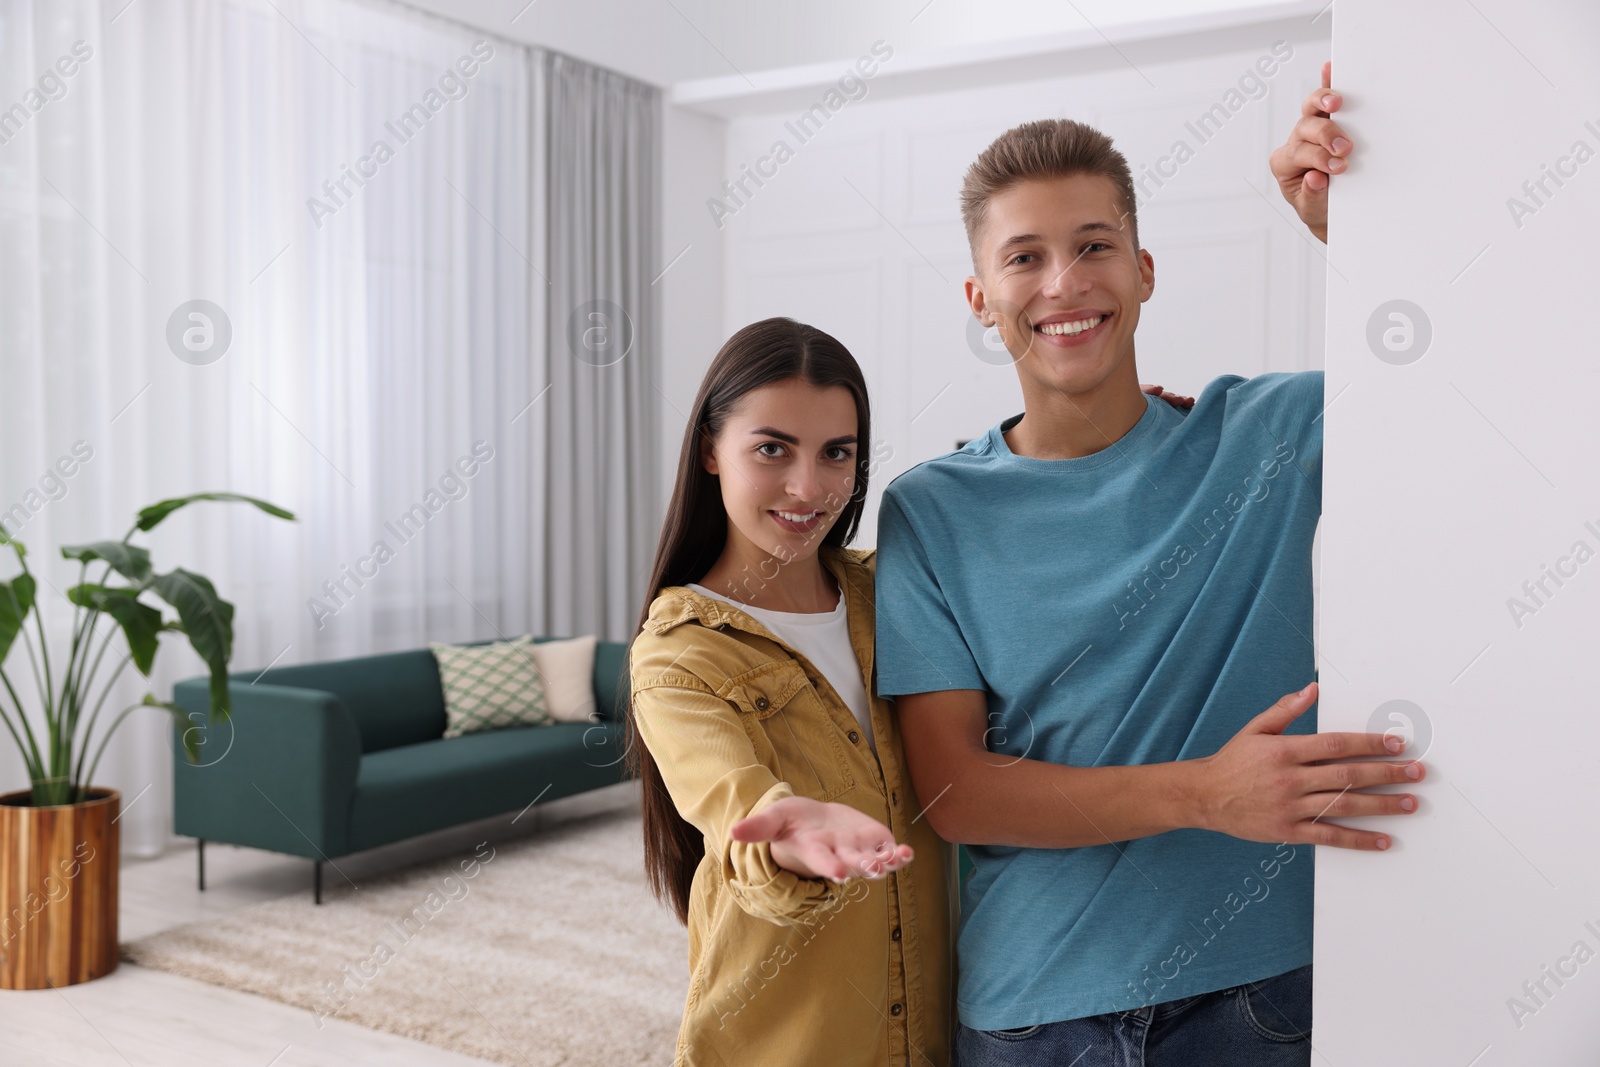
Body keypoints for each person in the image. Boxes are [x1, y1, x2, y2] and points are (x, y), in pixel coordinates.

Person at [872, 67, 1421, 1066]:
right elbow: (953, 788)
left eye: (1094, 247)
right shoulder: (931, 507)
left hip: (1256, 993)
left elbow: (1477, 369)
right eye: (1024, 257)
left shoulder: (1271, 435)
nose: (1063, 283)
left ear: (1144, 268)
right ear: (980, 297)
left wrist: (1345, 232)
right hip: (1035, 1010)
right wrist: (1204, 792)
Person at [627, 317, 955, 1067]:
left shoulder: (894, 592)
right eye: (772, 448)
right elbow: (731, 797)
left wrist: (1102, 437)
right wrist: (786, 830)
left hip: (938, 1032)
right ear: (712, 450)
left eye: (836, 453)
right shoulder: (679, 652)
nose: (809, 488)